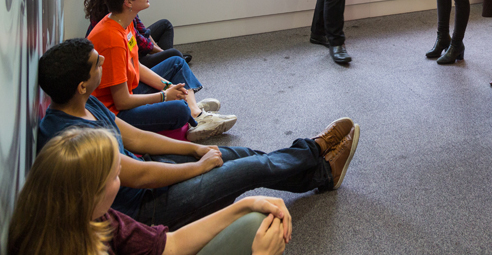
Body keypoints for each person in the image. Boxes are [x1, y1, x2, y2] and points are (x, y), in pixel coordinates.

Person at [36, 38, 360, 230]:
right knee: (249, 169)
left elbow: (133, 137)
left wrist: (192, 151)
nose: (103, 61)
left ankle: (322, 174)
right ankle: (315, 150)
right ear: (81, 84)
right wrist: (196, 167)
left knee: (241, 155)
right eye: (96, 64)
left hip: (150, 173)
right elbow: (140, 176)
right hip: (146, 212)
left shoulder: (83, 101)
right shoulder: (72, 135)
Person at [8, 126, 289, 255]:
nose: (120, 175)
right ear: (90, 193)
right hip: (150, 203)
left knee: (254, 214)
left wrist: (244, 204)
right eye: (115, 175)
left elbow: (172, 244)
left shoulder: (93, 218)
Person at [87, 0, 235, 140]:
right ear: (128, 2)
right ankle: (191, 112)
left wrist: (168, 87)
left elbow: (137, 67)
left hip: (129, 93)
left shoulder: (124, 22)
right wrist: (165, 96)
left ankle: (194, 112)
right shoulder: (113, 40)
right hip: (115, 114)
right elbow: (122, 101)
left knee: (176, 62)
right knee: (178, 110)